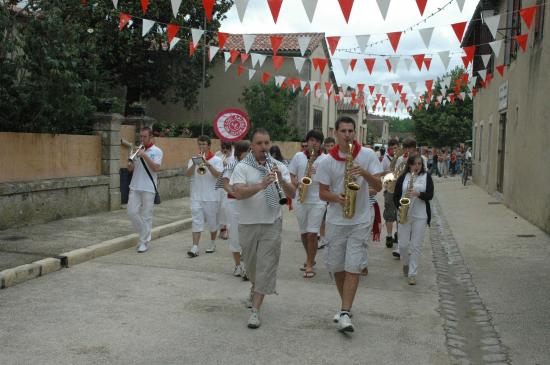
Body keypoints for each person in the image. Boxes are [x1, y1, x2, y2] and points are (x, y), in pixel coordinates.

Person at [316, 116, 383, 333]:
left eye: (350, 131)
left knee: (353, 265)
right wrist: (338, 198)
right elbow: (322, 192)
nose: (347, 135)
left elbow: (379, 186)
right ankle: (345, 306)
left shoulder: (367, 155)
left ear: (355, 133)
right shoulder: (327, 160)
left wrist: (363, 172)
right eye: (343, 131)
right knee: (337, 266)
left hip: (361, 219)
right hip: (336, 219)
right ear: (336, 133)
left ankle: (345, 311)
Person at [230, 129, 296, 329]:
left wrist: (282, 180)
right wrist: (261, 185)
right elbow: (239, 193)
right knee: (251, 267)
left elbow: (293, 192)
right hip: (248, 223)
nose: (264, 147)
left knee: (266, 267)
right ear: (252, 145)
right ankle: (254, 286)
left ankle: (255, 311)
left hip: (272, 222)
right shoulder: (242, 167)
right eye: (259, 143)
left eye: (267, 143)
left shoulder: (278, 166)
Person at [288, 129, 326, 279]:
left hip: (317, 200)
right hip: (300, 199)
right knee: (304, 233)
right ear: (307, 141)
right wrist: (295, 182)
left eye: (316, 141)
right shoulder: (298, 156)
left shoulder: (325, 159)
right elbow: (291, 174)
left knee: (312, 233)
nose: (313, 143)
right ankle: (310, 257)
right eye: (311, 140)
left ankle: (309, 264)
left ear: (320, 144)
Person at [393, 154, 434, 285]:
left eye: (419, 164)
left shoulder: (426, 177)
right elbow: (396, 196)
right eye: (415, 164)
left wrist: (418, 194)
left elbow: (430, 195)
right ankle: (405, 263)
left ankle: (413, 273)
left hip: (420, 215)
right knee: (403, 245)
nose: (417, 166)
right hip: (404, 214)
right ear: (409, 165)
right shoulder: (403, 177)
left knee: (416, 246)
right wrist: (399, 207)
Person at [185, 136, 224, 257]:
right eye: (199, 144)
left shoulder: (217, 160)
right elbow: (188, 174)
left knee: (212, 223)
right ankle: (195, 247)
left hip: (212, 197)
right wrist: (194, 164)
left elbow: (219, 175)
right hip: (196, 196)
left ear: (209, 145)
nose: (201, 147)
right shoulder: (193, 159)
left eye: (203, 144)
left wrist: (207, 164)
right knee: (196, 221)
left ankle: (212, 243)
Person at [127, 127, 163, 253]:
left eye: (144, 137)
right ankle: (145, 233)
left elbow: (156, 168)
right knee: (131, 212)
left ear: (151, 137)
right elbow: (130, 169)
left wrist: (144, 156)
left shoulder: (157, 151)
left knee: (147, 216)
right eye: (140, 137)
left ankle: (144, 242)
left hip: (148, 187)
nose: (142, 139)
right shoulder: (136, 150)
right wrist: (130, 162)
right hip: (135, 186)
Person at [219, 140, 250, 279]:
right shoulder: (231, 165)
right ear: (239, 153)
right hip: (233, 203)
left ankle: (248, 266)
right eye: (246, 151)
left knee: (249, 236)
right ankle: (238, 265)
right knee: (235, 235)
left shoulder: (254, 166)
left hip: (250, 204)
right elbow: (224, 183)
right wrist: (236, 192)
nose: (249, 154)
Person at [380, 138, 399, 249]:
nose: (393, 150)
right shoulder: (385, 159)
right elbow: (379, 172)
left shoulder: (402, 158)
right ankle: (388, 236)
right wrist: (387, 173)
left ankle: (398, 234)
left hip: (400, 189)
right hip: (389, 189)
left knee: (399, 213)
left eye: (395, 148)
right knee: (389, 213)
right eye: (391, 148)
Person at [216, 141, 234, 240]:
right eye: (223, 148)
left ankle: (226, 228)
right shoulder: (218, 155)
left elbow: (236, 168)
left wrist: (226, 164)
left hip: (228, 185)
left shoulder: (235, 156)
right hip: (218, 185)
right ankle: (221, 228)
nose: (224, 150)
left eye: (226, 148)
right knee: (219, 208)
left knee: (225, 208)